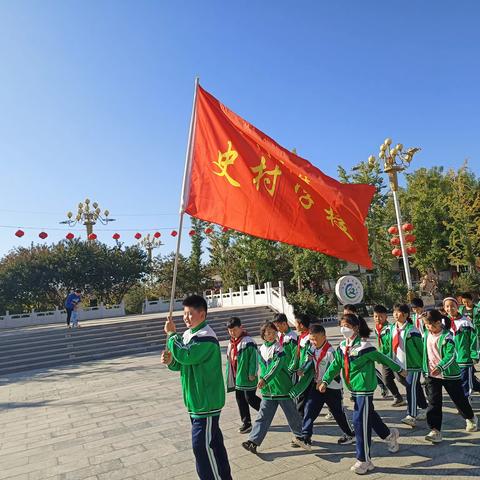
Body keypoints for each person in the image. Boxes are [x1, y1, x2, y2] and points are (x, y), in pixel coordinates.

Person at [318, 313, 405, 475]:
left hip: (364, 390)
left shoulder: (365, 348)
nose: (344, 329)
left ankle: (364, 460)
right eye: (342, 326)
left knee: (359, 423)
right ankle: (389, 435)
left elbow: (383, 358)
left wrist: (400, 369)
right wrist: (325, 381)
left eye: (348, 326)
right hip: (354, 390)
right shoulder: (343, 346)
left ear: (356, 328)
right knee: (369, 416)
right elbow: (335, 365)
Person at [161, 295, 232, 480]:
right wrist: (170, 361)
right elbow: (182, 363)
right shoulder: (188, 335)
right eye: (184, 313)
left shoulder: (206, 337)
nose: (186, 317)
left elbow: (187, 355)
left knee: (201, 447)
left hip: (206, 402)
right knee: (213, 445)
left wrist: (171, 335)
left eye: (190, 314)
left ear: (202, 314)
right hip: (196, 401)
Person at [241, 321, 309, 454]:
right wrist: (261, 378)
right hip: (268, 391)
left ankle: (301, 436)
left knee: (292, 415)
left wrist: (265, 379)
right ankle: (253, 442)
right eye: (267, 334)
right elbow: (263, 367)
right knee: (263, 416)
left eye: (272, 332)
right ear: (263, 336)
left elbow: (276, 367)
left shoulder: (279, 349)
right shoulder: (261, 349)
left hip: (282, 388)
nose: (270, 335)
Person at [290, 323, 355, 447]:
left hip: (332, 388)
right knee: (309, 409)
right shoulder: (313, 348)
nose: (313, 341)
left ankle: (350, 434)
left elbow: (336, 371)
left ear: (324, 336)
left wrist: (325, 381)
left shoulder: (331, 352)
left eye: (316, 338)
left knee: (338, 413)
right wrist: (303, 369)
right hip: (317, 387)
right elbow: (309, 360)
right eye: (311, 339)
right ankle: (306, 438)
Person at [422, 309, 478, 443]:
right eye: (426, 325)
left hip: (449, 375)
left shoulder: (447, 336)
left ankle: (470, 418)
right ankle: (435, 430)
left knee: (459, 400)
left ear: (437, 322)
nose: (428, 327)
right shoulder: (425, 334)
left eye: (430, 325)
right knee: (434, 402)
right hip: (431, 375)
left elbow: (451, 355)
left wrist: (440, 367)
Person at [385, 304, 427, 427]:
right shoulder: (391, 328)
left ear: (406, 315)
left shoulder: (412, 330)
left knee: (410, 388)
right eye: (395, 312)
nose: (396, 315)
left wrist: (424, 363)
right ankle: (424, 407)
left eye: (399, 313)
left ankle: (411, 415)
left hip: (412, 365)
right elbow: (389, 345)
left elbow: (421, 348)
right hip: (397, 364)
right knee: (415, 387)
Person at [344, 304, 388, 399]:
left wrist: (362, 343)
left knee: (370, 369)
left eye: (348, 313)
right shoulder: (345, 321)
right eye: (345, 313)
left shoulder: (359, 320)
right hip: (350, 347)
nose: (346, 315)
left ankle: (383, 385)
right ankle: (354, 391)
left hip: (361, 347)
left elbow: (365, 332)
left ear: (354, 312)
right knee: (351, 369)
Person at [225, 316, 261, 434]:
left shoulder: (248, 341)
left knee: (250, 398)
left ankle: (266, 412)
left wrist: (252, 373)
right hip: (237, 378)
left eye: (234, 330)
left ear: (241, 327)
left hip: (247, 377)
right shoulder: (231, 343)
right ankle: (246, 423)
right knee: (240, 399)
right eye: (230, 330)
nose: (232, 333)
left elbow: (254, 358)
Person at [443, 297, 480, 399]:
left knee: (465, 383)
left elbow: (473, 340)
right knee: (458, 382)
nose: (450, 308)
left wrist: (474, 355)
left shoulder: (466, 322)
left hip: (464, 358)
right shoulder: (443, 323)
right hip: (450, 360)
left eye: (452, 306)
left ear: (457, 307)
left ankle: (466, 405)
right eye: (447, 306)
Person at [373, 304, 406, 407]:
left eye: (381, 316)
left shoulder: (390, 328)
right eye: (375, 316)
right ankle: (398, 397)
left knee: (401, 379)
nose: (378, 318)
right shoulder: (377, 328)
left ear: (386, 317)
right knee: (386, 380)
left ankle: (415, 391)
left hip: (393, 359)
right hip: (384, 359)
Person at [290, 313, 312, 416]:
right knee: (305, 395)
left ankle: (300, 417)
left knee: (302, 393)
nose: (295, 325)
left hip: (308, 371)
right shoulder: (302, 337)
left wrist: (303, 369)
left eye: (296, 323)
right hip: (302, 370)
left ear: (301, 325)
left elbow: (309, 356)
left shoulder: (309, 338)